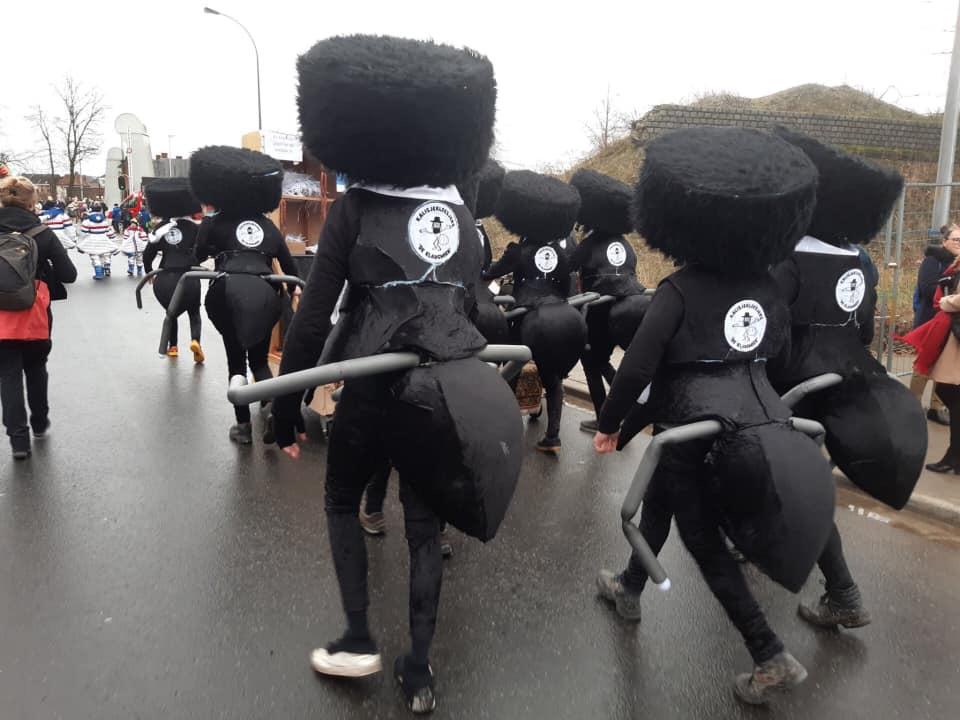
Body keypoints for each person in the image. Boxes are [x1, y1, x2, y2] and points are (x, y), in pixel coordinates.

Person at [273, 34, 519, 714]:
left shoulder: (355, 209)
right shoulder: (466, 220)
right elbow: (477, 312)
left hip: (375, 385)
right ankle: (419, 669)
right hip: (449, 386)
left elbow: (314, 318)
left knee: (337, 499)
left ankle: (357, 638)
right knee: (423, 528)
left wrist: (286, 407)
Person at [593, 127, 836, 704]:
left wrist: (609, 423)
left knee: (701, 540)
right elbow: (775, 353)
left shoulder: (678, 289)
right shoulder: (769, 286)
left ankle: (769, 653)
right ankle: (629, 586)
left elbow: (636, 369)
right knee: (659, 504)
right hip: (757, 411)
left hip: (691, 423)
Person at [769, 127, 923, 629]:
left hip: (793, 383)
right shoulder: (860, 260)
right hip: (849, 373)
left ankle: (843, 591)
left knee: (797, 482)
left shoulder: (788, 257)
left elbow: (769, 327)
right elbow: (864, 324)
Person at [190, 145, 301, 445]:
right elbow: (290, 268)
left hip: (227, 291)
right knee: (260, 361)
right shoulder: (268, 226)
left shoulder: (214, 222)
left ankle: (242, 428)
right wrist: (293, 292)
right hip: (266, 293)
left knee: (235, 361)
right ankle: (272, 408)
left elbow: (198, 256)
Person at [484, 170, 587, 454]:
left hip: (526, 311)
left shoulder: (519, 249)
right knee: (553, 379)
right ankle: (552, 436)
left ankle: (506, 430)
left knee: (512, 368)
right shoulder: (562, 253)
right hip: (563, 312)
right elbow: (568, 282)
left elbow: (493, 272)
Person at [0, 176, 77, 458]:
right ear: (32, 202)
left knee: (7, 375)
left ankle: (18, 442)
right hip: (34, 312)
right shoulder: (42, 232)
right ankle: (39, 422)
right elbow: (69, 274)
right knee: (35, 367)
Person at [568, 169, 650, 433]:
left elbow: (569, 266)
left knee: (591, 363)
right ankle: (625, 407)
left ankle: (603, 418)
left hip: (600, 308)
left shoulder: (590, 243)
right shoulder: (626, 244)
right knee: (605, 362)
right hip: (632, 299)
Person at [143, 177, 204, 362]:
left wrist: (148, 272)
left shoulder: (159, 229)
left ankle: (173, 346)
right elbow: (202, 251)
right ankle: (196, 341)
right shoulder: (193, 228)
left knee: (171, 313)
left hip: (164, 278)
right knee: (194, 312)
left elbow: (148, 254)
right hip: (188, 276)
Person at [909, 223, 960, 425]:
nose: (959, 243)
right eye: (956, 239)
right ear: (944, 241)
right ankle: (912, 404)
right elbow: (928, 288)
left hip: (950, 323)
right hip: (930, 320)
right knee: (923, 364)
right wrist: (949, 295)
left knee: (943, 368)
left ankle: (936, 407)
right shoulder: (933, 261)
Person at [76, 202, 118, 279]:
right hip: (103, 239)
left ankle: (99, 273)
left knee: (94, 256)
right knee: (103, 254)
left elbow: (83, 232)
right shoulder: (105, 220)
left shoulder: (87, 221)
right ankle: (105, 268)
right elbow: (109, 231)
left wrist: (82, 241)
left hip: (92, 239)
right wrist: (112, 237)